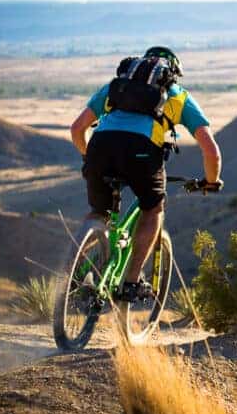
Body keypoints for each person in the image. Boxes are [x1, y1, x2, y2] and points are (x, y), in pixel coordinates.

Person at [69, 46, 222, 301]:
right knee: (153, 210)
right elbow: (211, 151)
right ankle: (131, 282)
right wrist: (211, 181)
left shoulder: (115, 87)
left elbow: (77, 129)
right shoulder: (178, 95)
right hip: (141, 154)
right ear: (171, 72)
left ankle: (71, 276)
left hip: (100, 149)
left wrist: (91, 158)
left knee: (100, 213)